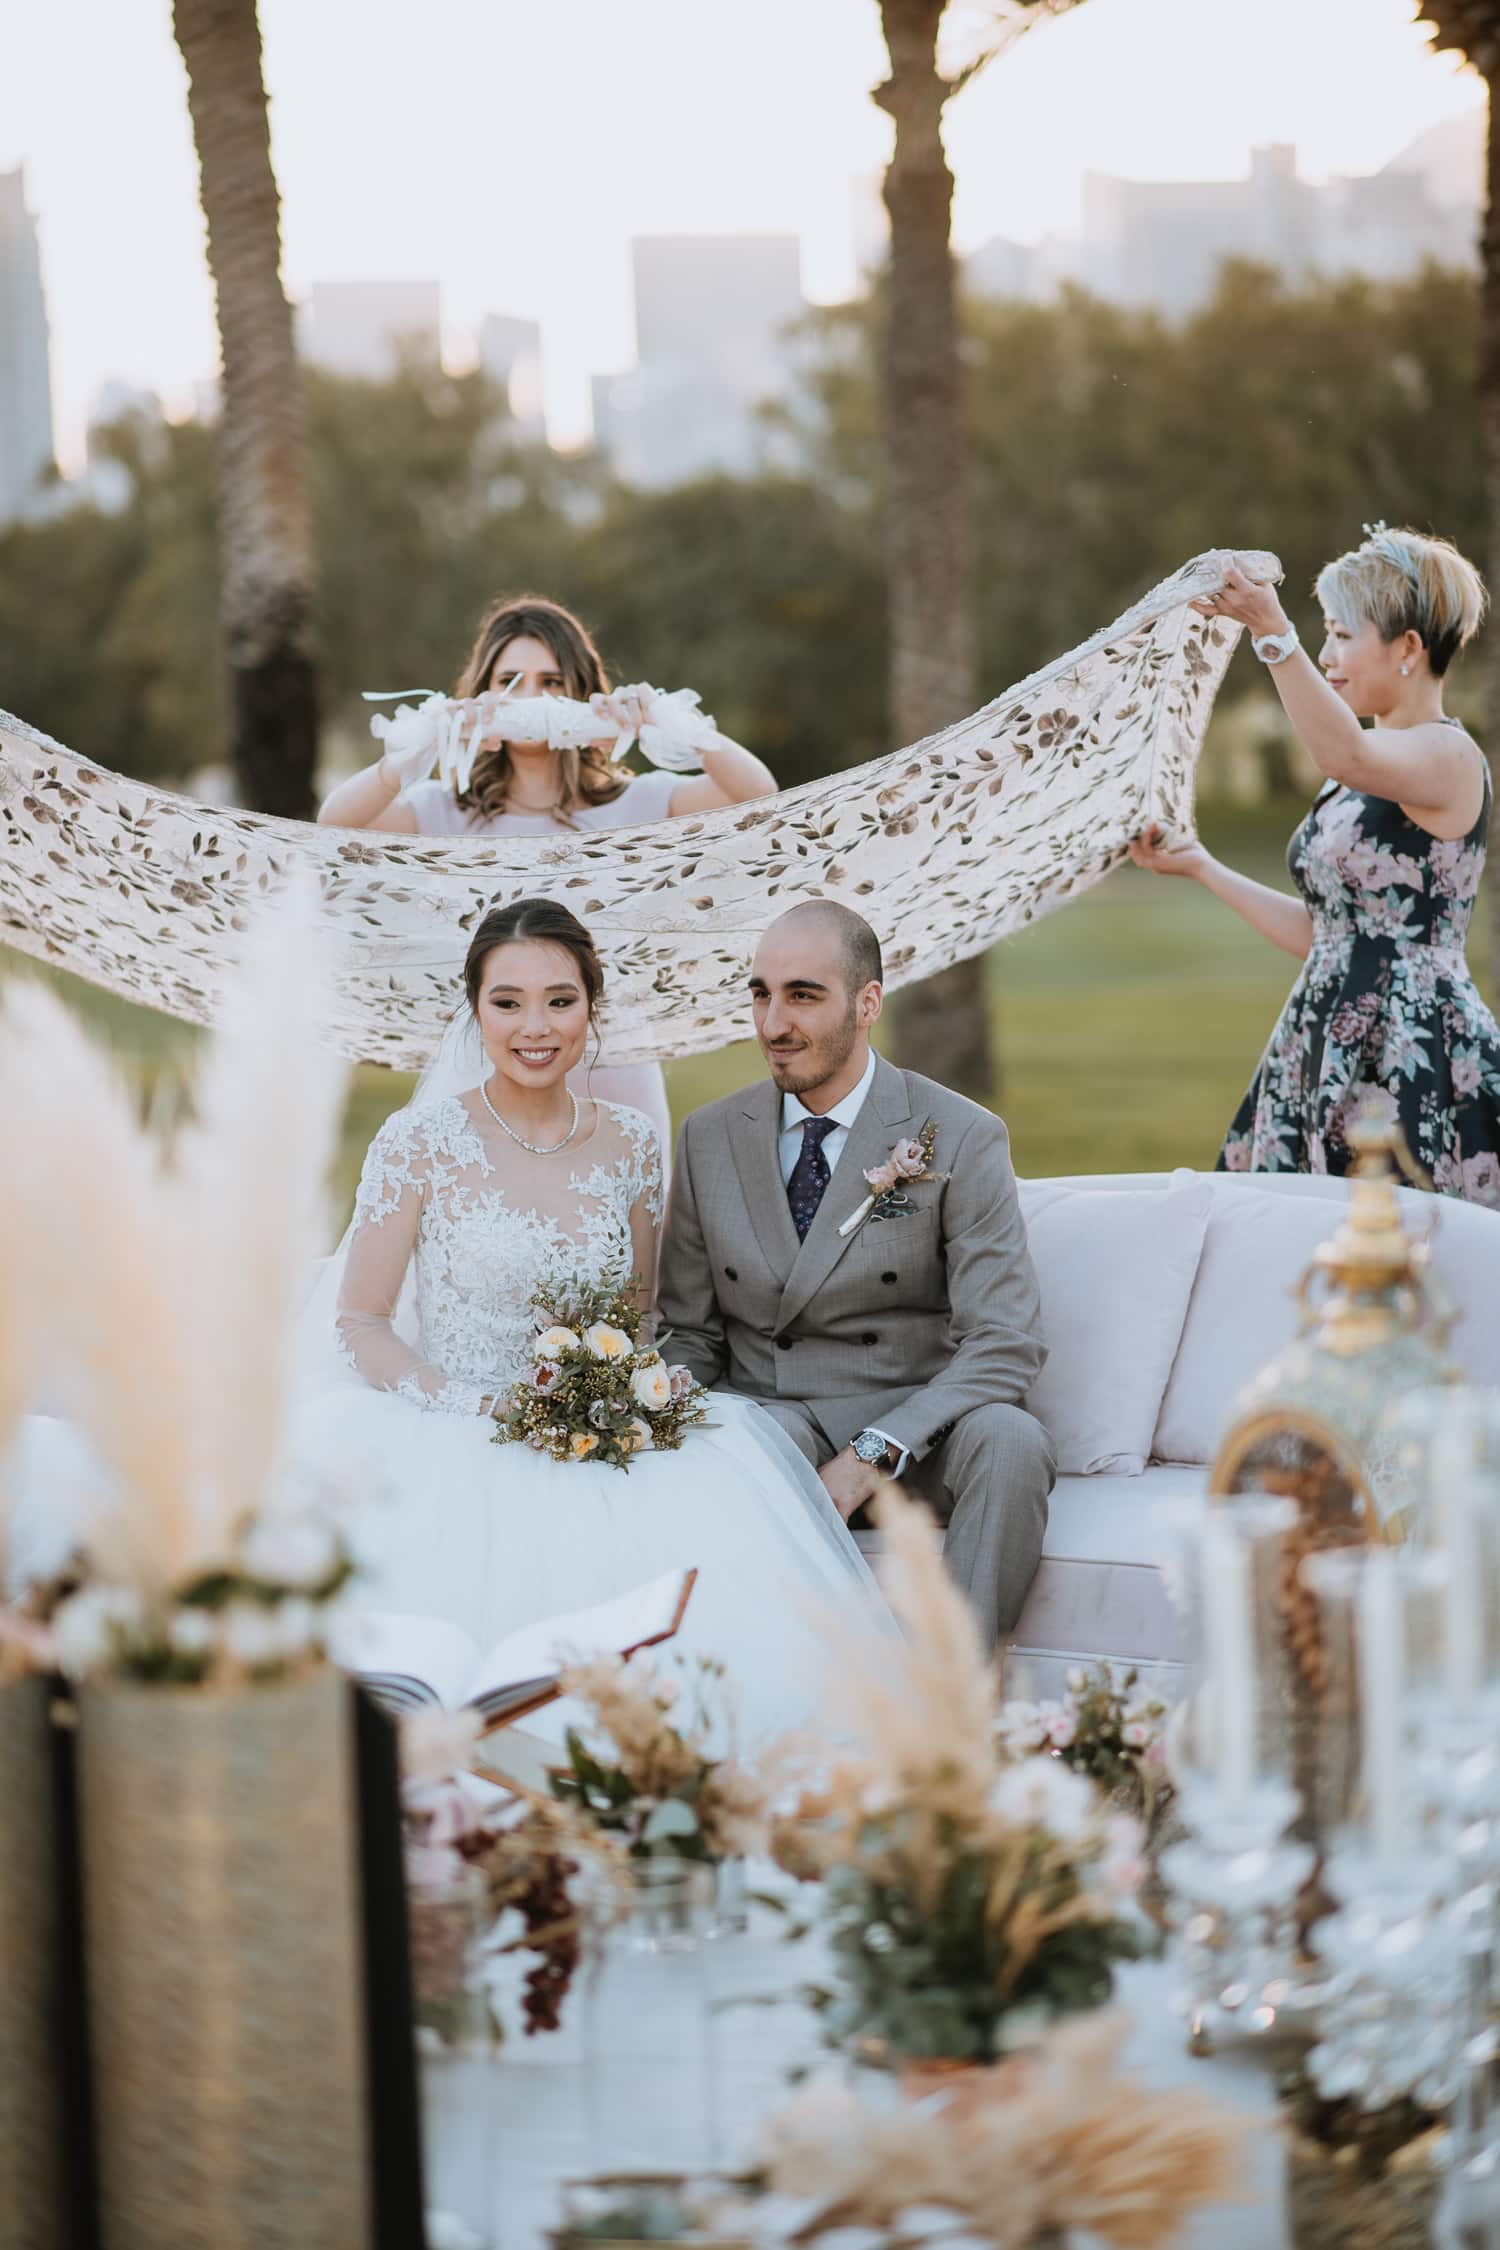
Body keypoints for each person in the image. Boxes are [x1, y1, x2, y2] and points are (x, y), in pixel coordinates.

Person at [291, 896, 884, 1744]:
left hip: (601, 1433)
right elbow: (361, 1323)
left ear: (591, 1009)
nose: (536, 1027)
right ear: (476, 1011)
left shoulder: (636, 1143)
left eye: (560, 1001)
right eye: (508, 1002)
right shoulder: (417, 1141)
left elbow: (638, 1317)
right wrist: (476, 1405)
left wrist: (624, 1392)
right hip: (455, 1430)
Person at [655, 900, 1054, 1648]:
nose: (774, 1023)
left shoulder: (959, 1134)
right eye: (760, 993)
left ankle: (949, 1710)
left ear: (868, 1002)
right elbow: (689, 1333)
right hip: (782, 1423)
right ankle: (789, 1710)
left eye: (803, 995)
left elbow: (1005, 1343)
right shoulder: (709, 1137)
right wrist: (649, 1400)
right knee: (760, 1443)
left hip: (921, 1428)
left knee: (1013, 1440)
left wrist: (872, 1453)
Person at [316, 594, 779, 1152]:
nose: (531, 696)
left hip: (615, 1069)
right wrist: (423, 744)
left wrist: (667, 721)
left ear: (582, 693)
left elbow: (759, 794)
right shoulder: (446, 811)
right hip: (492, 1074)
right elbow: (336, 821)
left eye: (552, 681)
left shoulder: (642, 801)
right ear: (483, 694)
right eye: (511, 680)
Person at [1130, 528, 1500, 1204]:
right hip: (1320, 1035)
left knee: (1395, 1256)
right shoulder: (1363, 761)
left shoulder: (1445, 756)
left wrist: (1273, 631)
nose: (1327, 655)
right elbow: (1328, 935)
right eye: (1321, 634)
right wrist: (1203, 868)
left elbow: (1344, 756)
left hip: (1411, 1049)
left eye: (1340, 634)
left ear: (1409, 648)